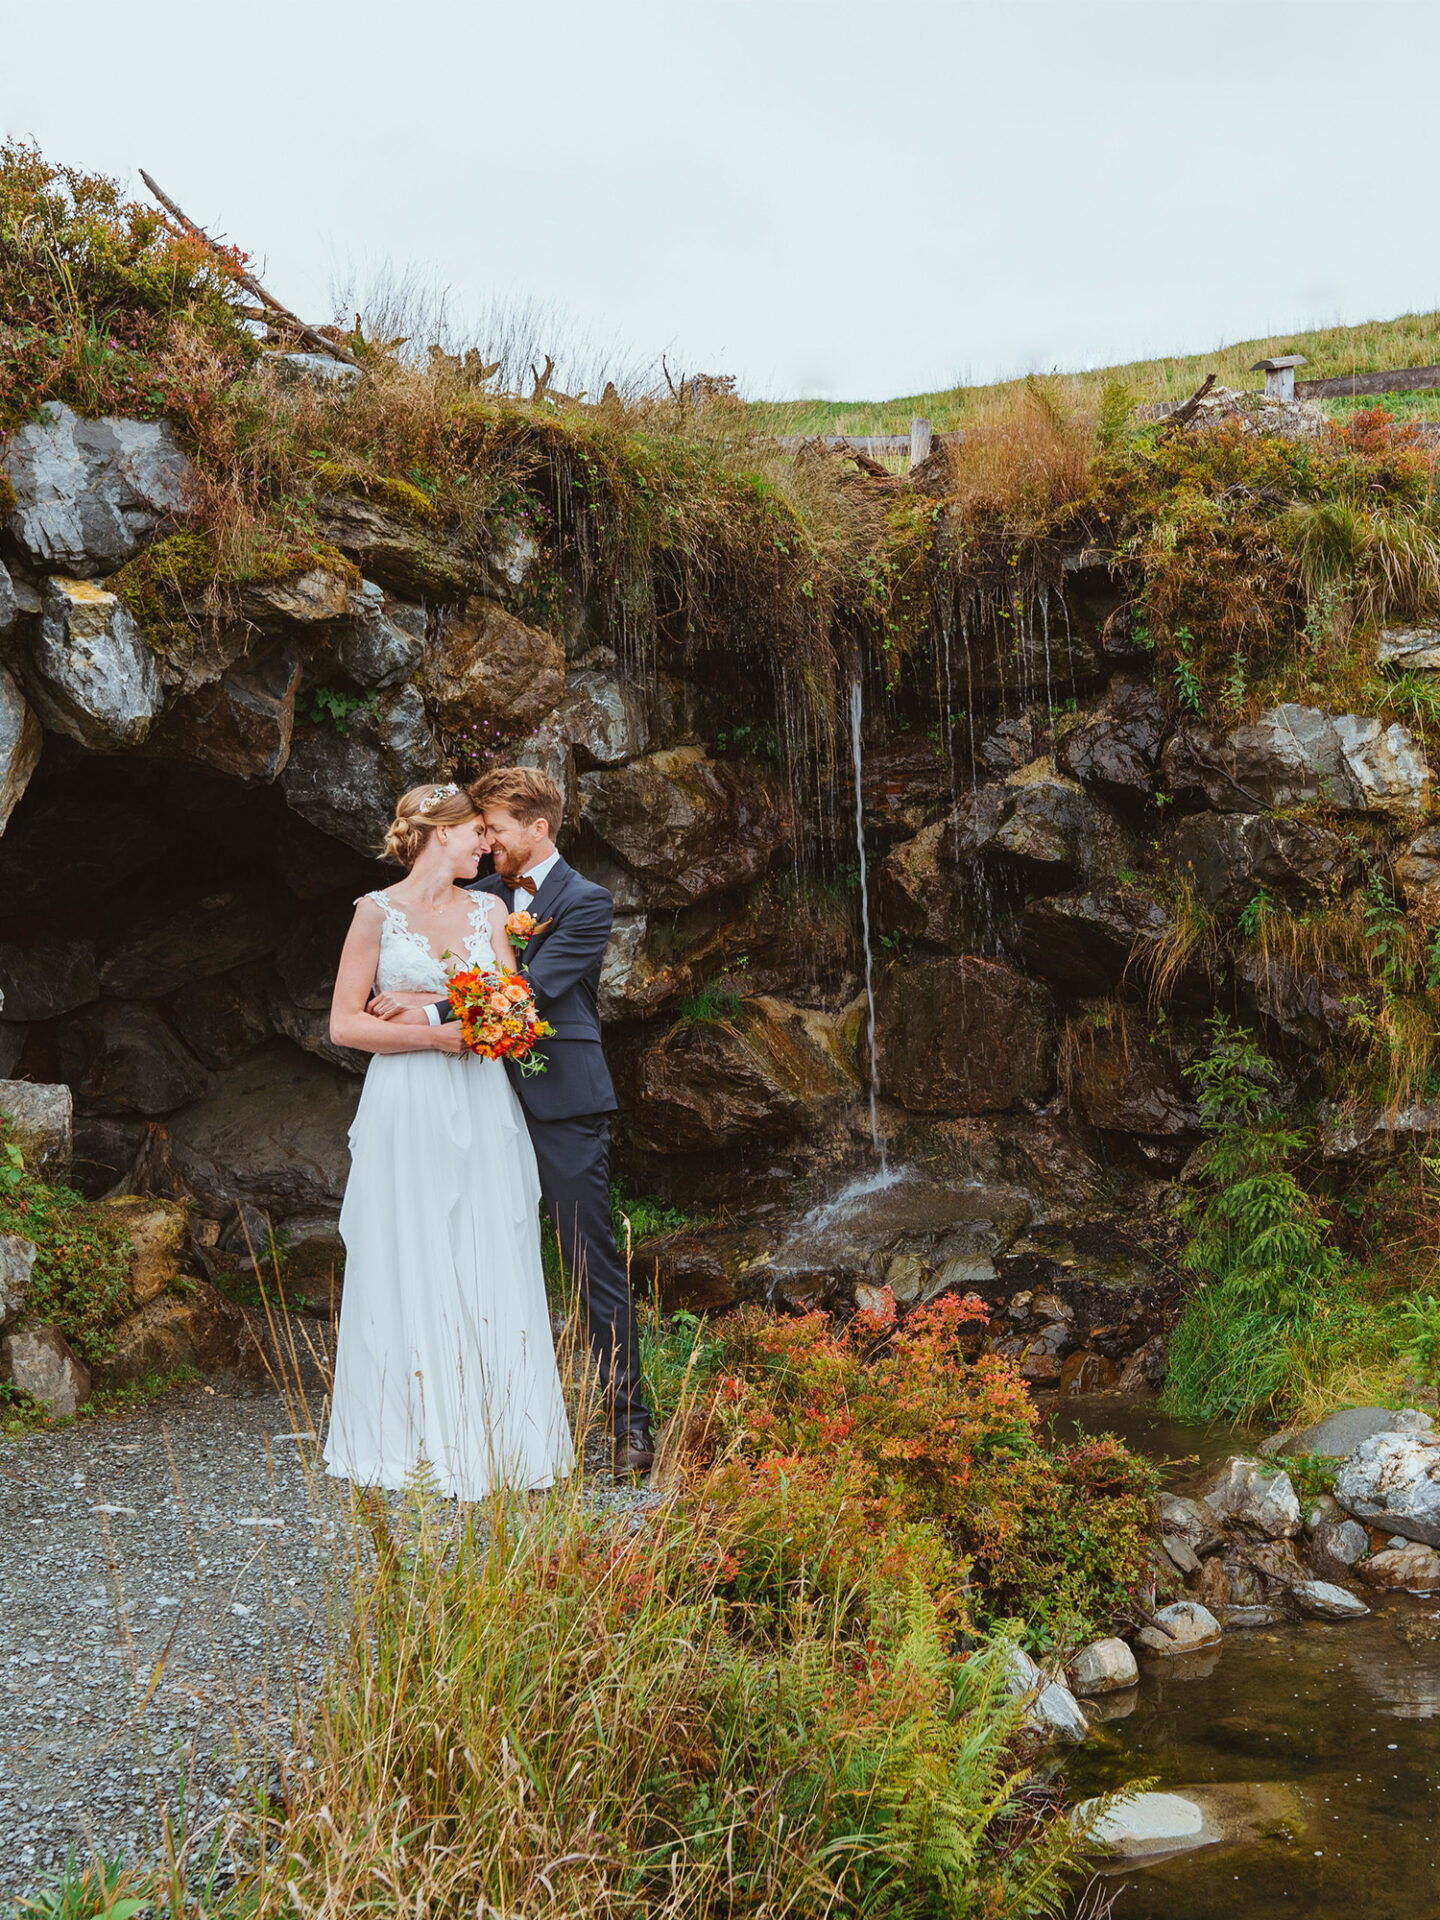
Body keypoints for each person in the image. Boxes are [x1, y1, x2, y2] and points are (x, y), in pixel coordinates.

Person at [369, 766, 655, 1474]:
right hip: (471, 1099)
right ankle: (476, 1419)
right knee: (464, 1249)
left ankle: (629, 1425)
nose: (487, 838)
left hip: (561, 1100)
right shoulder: (480, 896)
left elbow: (531, 989)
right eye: (481, 828)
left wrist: (427, 1010)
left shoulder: (587, 901)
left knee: (587, 1260)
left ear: (539, 828)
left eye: (496, 827)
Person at [323, 782, 573, 1501]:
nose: (486, 846)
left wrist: (455, 1015)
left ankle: (498, 1433)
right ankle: (410, 1435)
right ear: (442, 834)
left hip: (480, 1098)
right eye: (476, 835)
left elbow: (515, 1004)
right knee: (412, 1240)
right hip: (408, 1099)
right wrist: (434, 1035)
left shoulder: (490, 909)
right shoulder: (374, 914)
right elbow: (344, 1024)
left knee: (487, 1235)